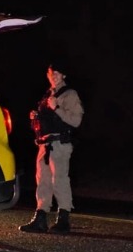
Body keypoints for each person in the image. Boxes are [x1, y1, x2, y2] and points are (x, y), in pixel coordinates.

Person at [19, 60, 85, 234]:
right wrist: (36, 117)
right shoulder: (47, 95)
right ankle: (40, 218)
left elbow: (76, 121)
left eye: (57, 73)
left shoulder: (69, 94)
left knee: (59, 180)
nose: (54, 76)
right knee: (43, 182)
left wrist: (56, 108)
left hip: (60, 144)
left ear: (63, 75)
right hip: (45, 144)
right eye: (51, 73)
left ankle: (63, 219)